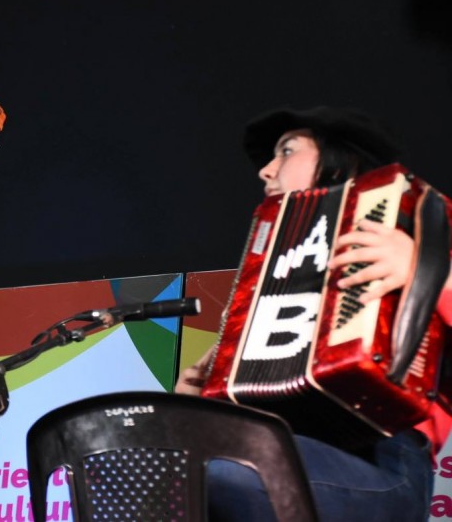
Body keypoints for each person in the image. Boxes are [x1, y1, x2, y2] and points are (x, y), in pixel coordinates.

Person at [176, 105, 452, 521]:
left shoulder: (424, 230)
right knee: (166, 466)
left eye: (287, 151)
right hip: (277, 443)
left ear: (341, 158)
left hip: (385, 457)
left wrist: (426, 271)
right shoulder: (268, 274)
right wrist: (199, 402)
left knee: (217, 471)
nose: (266, 171)